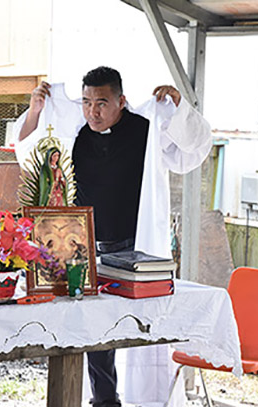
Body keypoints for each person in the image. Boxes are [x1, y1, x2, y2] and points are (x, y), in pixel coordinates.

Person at [14, 67, 212, 407]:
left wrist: (178, 107)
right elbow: (27, 152)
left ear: (122, 101)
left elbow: (192, 150)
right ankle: (104, 399)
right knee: (90, 323)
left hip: (133, 243)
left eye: (102, 103)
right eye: (87, 102)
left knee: (138, 321)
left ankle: (147, 394)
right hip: (82, 243)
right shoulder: (74, 131)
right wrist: (35, 110)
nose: (93, 111)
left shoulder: (146, 129)